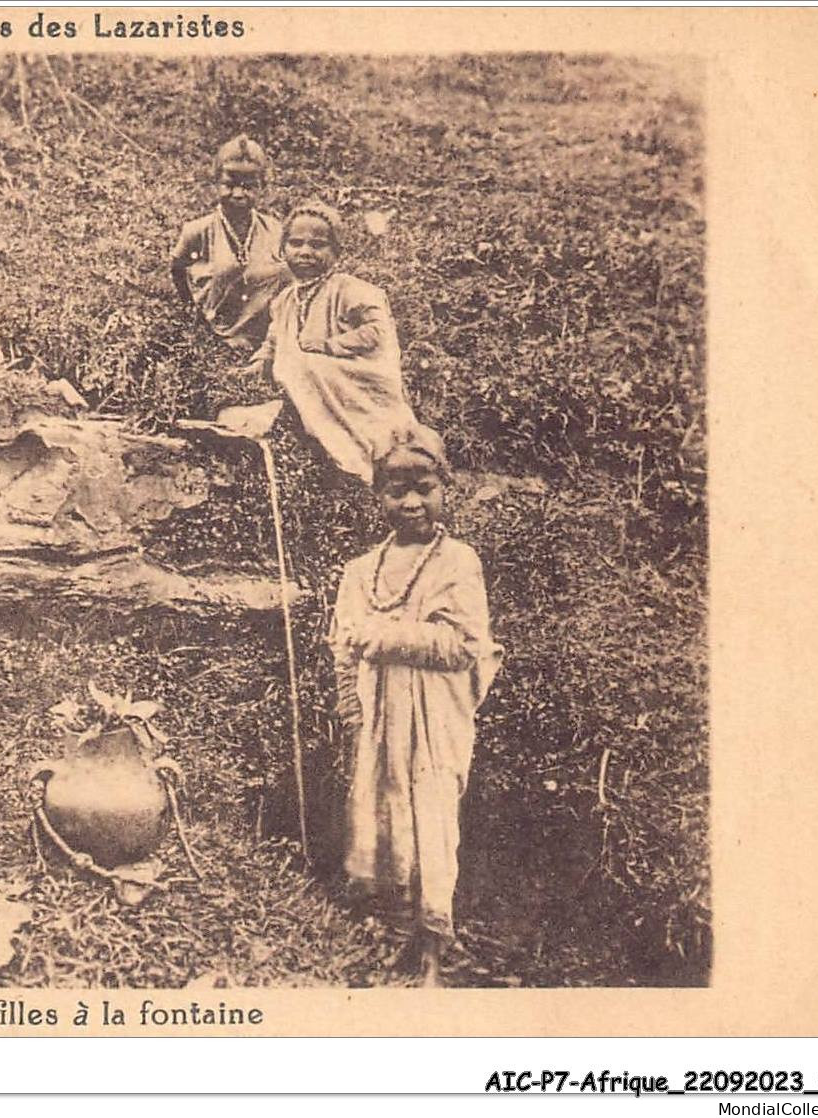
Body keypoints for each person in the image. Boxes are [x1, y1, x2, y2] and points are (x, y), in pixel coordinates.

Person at [328, 425, 503, 986]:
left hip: (434, 720)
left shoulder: (458, 562)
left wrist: (388, 637)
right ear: (377, 495)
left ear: (443, 486)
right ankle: (393, 929)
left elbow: (464, 647)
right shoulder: (360, 571)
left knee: (429, 812)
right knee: (381, 812)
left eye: (423, 487)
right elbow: (343, 648)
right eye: (395, 490)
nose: (410, 502)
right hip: (378, 719)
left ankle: (433, 938)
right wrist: (351, 714)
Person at [242, 199, 414, 485]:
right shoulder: (285, 299)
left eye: (318, 245)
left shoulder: (351, 289)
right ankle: (324, 441)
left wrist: (330, 345)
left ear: (336, 251)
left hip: (354, 378)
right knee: (296, 366)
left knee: (305, 366)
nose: (306, 252)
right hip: (308, 380)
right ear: (282, 249)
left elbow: (377, 331)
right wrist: (260, 362)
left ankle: (353, 457)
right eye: (296, 243)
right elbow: (274, 337)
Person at [169, 134, 291, 356]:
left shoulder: (275, 230)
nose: (238, 194)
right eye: (229, 184)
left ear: (263, 186)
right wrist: (192, 313)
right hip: (216, 338)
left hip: (265, 340)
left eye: (249, 186)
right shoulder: (197, 231)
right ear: (215, 183)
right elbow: (177, 269)